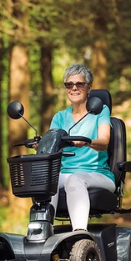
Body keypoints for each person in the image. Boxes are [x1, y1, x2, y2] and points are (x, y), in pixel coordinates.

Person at [49, 63, 115, 231]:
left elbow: (104, 142)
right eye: (69, 84)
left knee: (75, 179)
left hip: (98, 174)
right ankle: (43, 230)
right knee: (47, 180)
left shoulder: (100, 111)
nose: (74, 88)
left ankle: (79, 233)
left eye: (80, 84)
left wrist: (87, 141)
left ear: (89, 88)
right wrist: (40, 145)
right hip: (66, 173)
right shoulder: (60, 117)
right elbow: (51, 145)